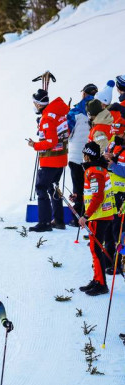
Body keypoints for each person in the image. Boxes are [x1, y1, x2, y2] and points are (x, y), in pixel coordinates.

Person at [28, 89, 70, 232]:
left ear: (40, 104)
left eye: (35, 103)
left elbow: (51, 141)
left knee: (41, 188)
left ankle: (44, 222)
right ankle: (58, 220)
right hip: (60, 158)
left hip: (50, 159)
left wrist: (36, 145)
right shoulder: (58, 113)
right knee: (53, 188)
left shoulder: (47, 118)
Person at [78, 142, 116, 296]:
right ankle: (97, 279)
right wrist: (79, 197)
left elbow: (98, 196)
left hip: (99, 215)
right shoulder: (95, 169)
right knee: (95, 248)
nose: (83, 157)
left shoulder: (94, 172)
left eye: (84, 154)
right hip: (99, 214)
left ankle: (101, 284)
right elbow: (92, 194)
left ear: (88, 155)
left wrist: (86, 216)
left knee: (96, 249)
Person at [66, 84, 97, 222]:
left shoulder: (75, 112)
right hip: (91, 156)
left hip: (76, 155)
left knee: (77, 187)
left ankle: (77, 217)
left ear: (84, 94)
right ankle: (89, 215)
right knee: (89, 186)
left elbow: (67, 133)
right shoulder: (98, 110)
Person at [104, 118, 125, 274]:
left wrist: (113, 165)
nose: (117, 135)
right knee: (110, 227)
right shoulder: (113, 143)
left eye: (120, 133)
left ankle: (119, 263)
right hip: (111, 193)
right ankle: (109, 259)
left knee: (120, 230)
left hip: (122, 195)